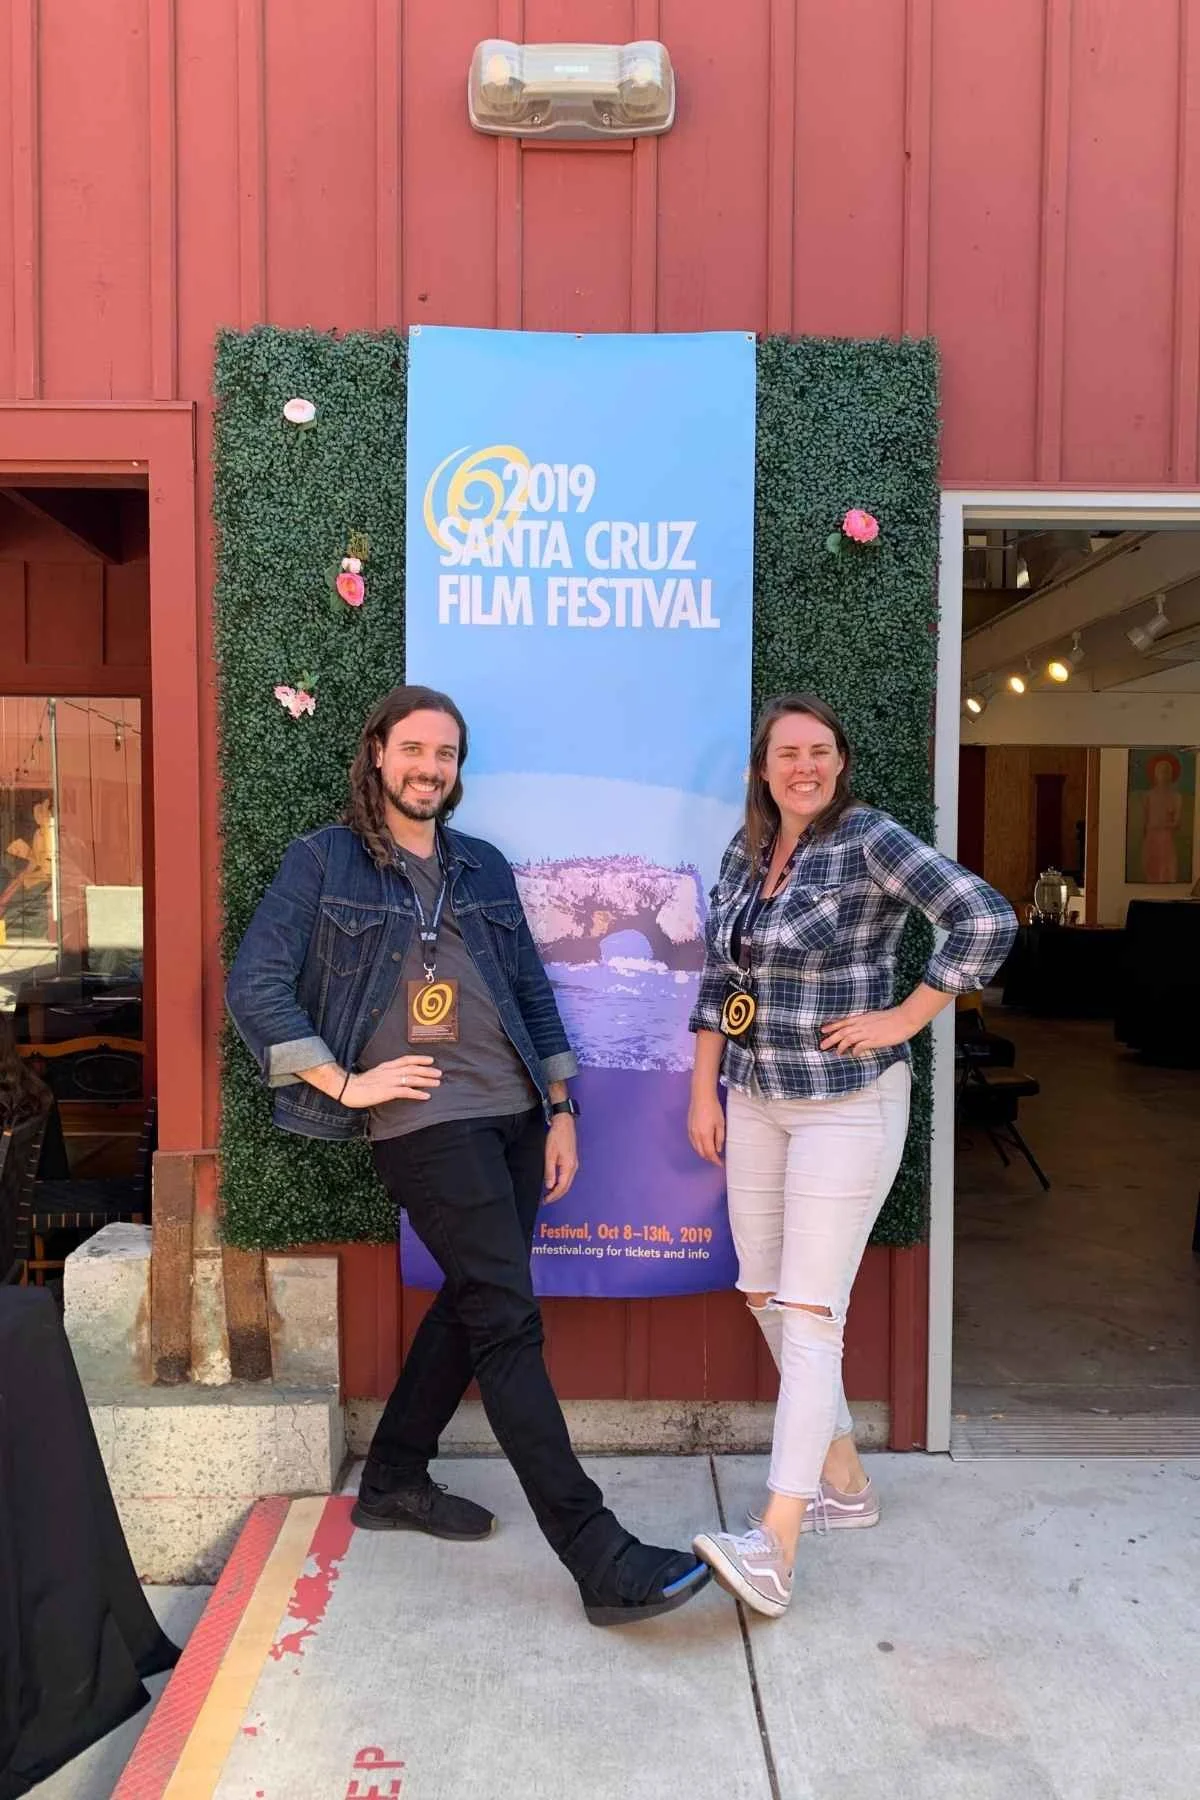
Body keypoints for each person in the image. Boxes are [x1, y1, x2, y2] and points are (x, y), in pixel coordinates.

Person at [226, 685, 710, 1627]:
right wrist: (346, 1083)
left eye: (445, 755)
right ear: (376, 755)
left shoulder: (480, 865)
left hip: (516, 1112)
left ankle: (395, 1475)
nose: (429, 769)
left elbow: (531, 989)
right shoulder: (323, 862)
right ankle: (599, 1556)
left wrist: (561, 1107)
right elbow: (257, 982)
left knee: (472, 1295)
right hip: (424, 1125)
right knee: (506, 1319)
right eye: (413, 750)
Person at [687, 693, 1016, 1618]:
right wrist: (701, 1086)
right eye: (788, 752)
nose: (804, 766)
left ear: (840, 762)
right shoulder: (746, 851)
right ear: (763, 766)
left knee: (808, 1311)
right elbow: (721, 974)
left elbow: (983, 918)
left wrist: (907, 1018)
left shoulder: (869, 838)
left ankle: (776, 1542)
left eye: (821, 751)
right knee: (761, 1291)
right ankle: (845, 1484)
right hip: (754, 1099)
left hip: (846, 1105)